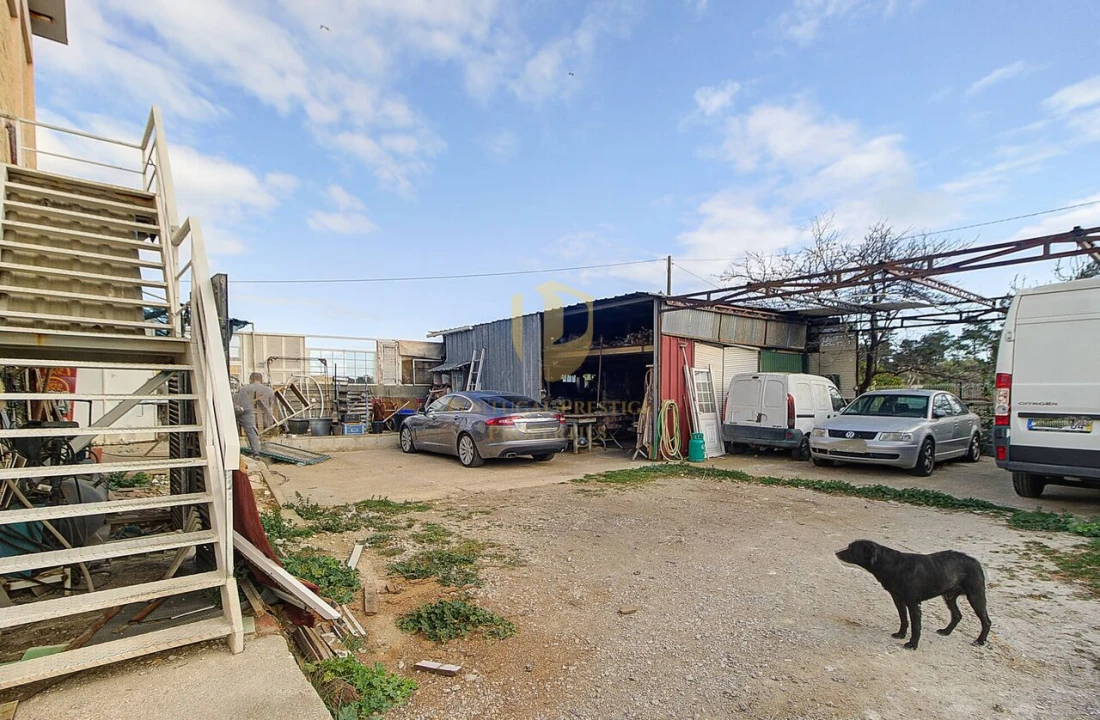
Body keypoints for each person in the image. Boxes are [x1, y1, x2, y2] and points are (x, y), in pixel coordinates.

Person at [235, 373, 275, 457]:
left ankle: (255, 452)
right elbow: (271, 404)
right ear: (262, 380)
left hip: (248, 413)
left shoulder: (244, 389)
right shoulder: (269, 390)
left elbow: (240, 404)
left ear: (250, 380)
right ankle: (264, 450)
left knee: (249, 430)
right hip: (265, 417)